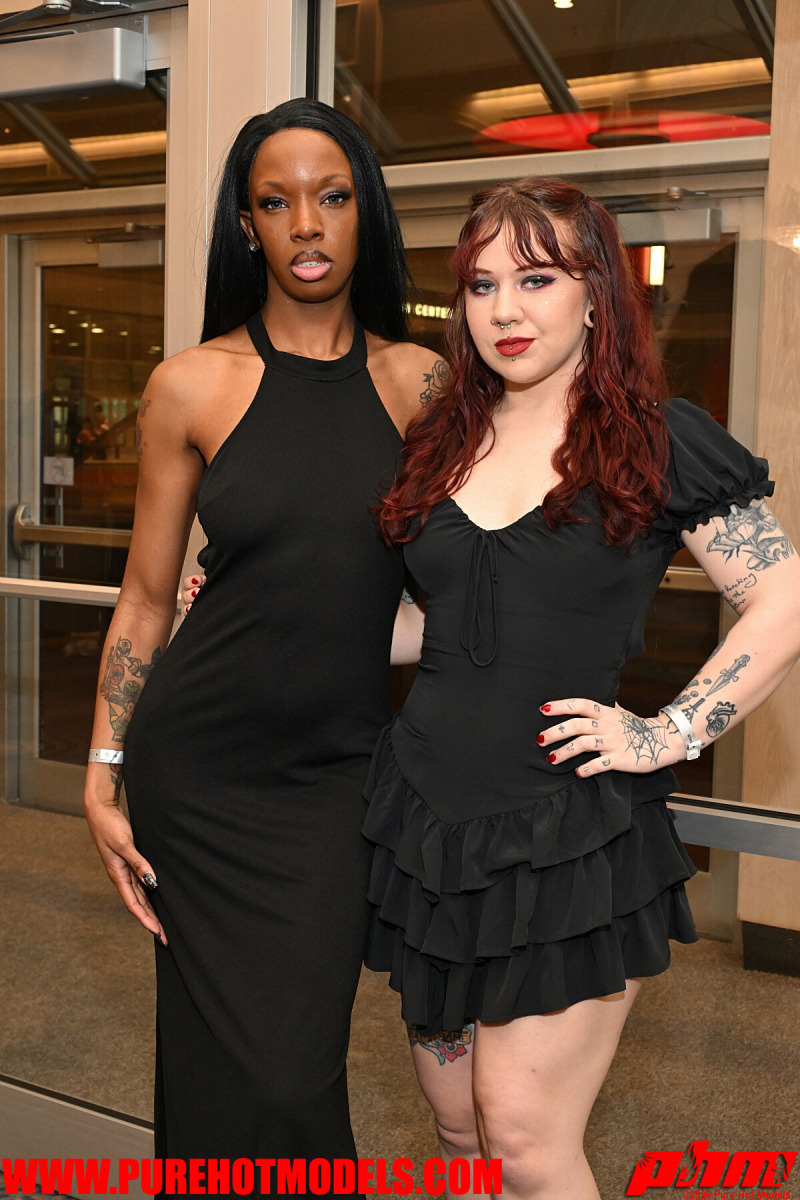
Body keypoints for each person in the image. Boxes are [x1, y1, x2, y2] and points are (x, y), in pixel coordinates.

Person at [357, 178, 800, 1199]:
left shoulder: (656, 438)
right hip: (426, 827)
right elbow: (435, 623)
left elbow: (781, 600)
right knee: (458, 1130)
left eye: (536, 278)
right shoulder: (441, 440)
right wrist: (264, 619)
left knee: (522, 1138)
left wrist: (669, 731)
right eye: (480, 285)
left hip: (568, 835)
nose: (503, 309)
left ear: (596, 292)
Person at [82, 98, 442, 1184]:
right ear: (247, 227)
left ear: (365, 212)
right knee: (213, 1069)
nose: (307, 225)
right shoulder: (192, 384)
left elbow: (464, 581)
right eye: (276, 203)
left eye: (331, 197)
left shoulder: (420, 383)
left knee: (292, 1074)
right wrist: (104, 766)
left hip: (335, 777)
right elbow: (146, 599)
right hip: (200, 774)